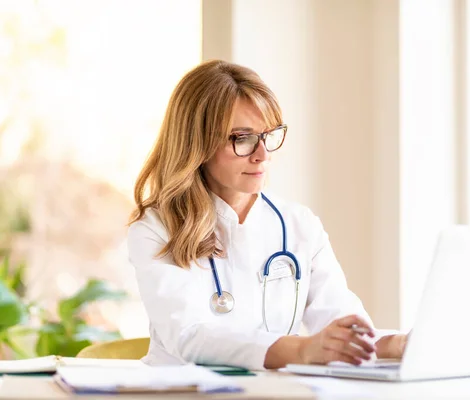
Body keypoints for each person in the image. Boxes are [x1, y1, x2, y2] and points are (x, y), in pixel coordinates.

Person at [127, 60, 408, 370]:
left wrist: (397, 344)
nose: (263, 155)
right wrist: (302, 350)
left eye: (268, 135)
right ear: (198, 143)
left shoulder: (299, 225)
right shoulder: (155, 229)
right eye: (242, 139)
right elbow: (189, 336)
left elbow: (342, 326)